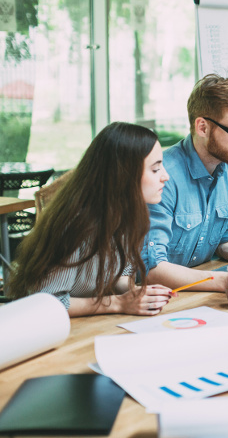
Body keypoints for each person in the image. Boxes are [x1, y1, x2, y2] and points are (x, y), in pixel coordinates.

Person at [9, 122, 174, 317]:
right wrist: (118, 303)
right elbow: (49, 302)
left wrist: (134, 292)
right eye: (155, 170)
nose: (166, 176)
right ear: (124, 175)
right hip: (42, 327)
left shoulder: (129, 213)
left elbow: (120, 275)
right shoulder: (74, 224)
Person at [142, 73, 228, 294]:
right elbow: (151, 268)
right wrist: (224, 281)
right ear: (203, 128)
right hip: (154, 298)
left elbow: (227, 240)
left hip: (197, 293)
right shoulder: (162, 176)